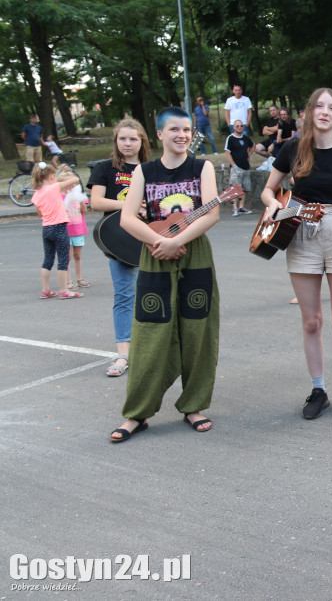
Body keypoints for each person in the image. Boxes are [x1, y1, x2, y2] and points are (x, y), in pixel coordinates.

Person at [109, 107, 221, 442]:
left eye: (187, 130)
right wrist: (160, 241)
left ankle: (193, 405)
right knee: (149, 333)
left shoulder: (202, 166)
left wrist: (177, 241)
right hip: (155, 253)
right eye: (175, 130)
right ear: (159, 134)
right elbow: (128, 218)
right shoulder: (145, 170)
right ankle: (137, 414)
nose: (183, 135)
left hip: (194, 253)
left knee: (198, 331)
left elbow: (212, 211)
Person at [261, 88, 332, 421]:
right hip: (300, 227)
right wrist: (272, 205)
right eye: (319, 106)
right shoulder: (293, 148)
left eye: (331, 107)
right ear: (308, 112)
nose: (324, 111)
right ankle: (318, 389)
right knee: (310, 321)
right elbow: (268, 189)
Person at [88, 117, 151, 377]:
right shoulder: (105, 168)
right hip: (119, 240)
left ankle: (149, 350)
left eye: (133, 138)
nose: (128, 143)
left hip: (149, 237)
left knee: (155, 295)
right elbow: (96, 202)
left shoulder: (152, 169)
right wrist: (129, 206)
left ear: (142, 142)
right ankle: (123, 354)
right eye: (123, 138)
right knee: (124, 295)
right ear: (116, 141)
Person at [30, 162, 82, 300]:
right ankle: (64, 290)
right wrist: (64, 171)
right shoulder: (54, 187)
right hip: (59, 227)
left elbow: (41, 214)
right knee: (63, 260)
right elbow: (76, 179)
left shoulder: (36, 195)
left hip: (46, 229)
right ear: (52, 176)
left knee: (48, 260)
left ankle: (45, 290)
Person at [61, 168, 90, 290]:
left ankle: (80, 278)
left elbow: (84, 210)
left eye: (73, 184)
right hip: (65, 231)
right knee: (67, 256)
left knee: (77, 255)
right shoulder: (60, 197)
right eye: (67, 184)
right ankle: (68, 280)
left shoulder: (79, 196)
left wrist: (80, 200)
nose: (70, 186)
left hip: (78, 230)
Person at [224, 120, 254, 216]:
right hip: (236, 167)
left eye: (241, 126)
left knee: (244, 188)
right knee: (235, 188)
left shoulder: (245, 138)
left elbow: (253, 145)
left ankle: (241, 206)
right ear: (234, 127)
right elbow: (227, 152)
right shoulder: (231, 138)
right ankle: (235, 208)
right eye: (237, 126)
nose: (240, 127)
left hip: (245, 166)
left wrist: (248, 154)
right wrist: (233, 164)